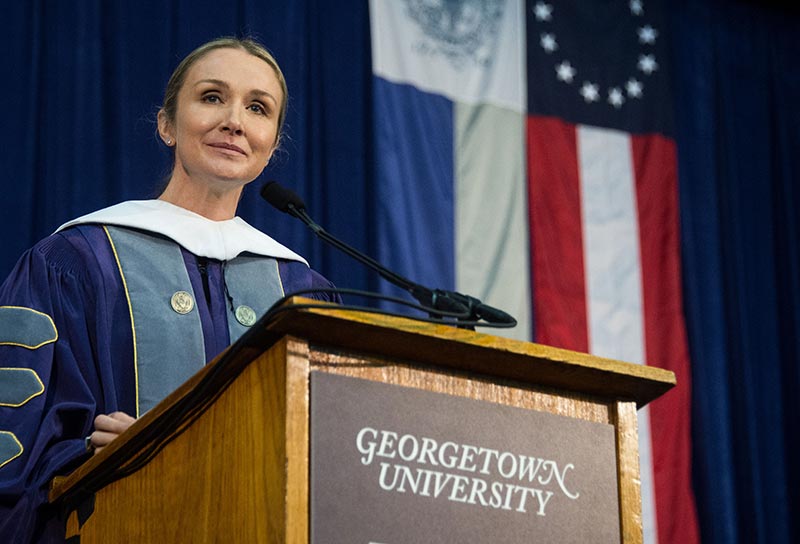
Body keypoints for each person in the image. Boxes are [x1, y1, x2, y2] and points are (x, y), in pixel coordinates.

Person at [0, 37, 338, 543]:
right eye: (211, 97)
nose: (234, 122)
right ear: (166, 125)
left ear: (270, 149)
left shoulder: (302, 295)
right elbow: (15, 438)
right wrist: (94, 456)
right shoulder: (76, 261)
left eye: (257, 108)